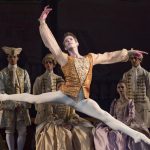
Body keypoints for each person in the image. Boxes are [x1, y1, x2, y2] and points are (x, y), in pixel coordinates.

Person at [0, 6, 150, 144]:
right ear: (65, 47)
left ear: (77, 43)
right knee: (35, 98)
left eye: (70, 39)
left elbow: (108, 56)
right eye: (66, 41)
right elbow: (51, 44)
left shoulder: (90, 58)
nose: (68, 41)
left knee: (106, 116)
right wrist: (43, 23)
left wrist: (128, 53)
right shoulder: (65, 59)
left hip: (81, 100)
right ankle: (5, 97)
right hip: (65, 94)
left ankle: (136, 135)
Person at [33, 53, 94, 150]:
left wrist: (70, 121)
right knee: (52, 134)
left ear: (54, 64)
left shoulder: (59, 79)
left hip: (65, 119)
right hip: (47, 114)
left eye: (50, 62)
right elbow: (36, 98)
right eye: (46, 63)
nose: (48, 64)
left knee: (84, 130)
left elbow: (72, 113)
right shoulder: (39, 79)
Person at [93, 80, 150, 150]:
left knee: (124, 135)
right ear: (117, 89)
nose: (121, 89)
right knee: (102, 131)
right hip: (115, 123)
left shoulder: (130, 102)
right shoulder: (115, 102)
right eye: (119, 87)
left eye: (122, 87)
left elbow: (131, 117)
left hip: (127, 124)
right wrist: (112, 124)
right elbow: (111, 116)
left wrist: (122, 126)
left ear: (126, 88)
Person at [0, 46, 31, 150]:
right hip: (8, 106)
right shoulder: (2, 73)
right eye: (10, 57)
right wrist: (12, 103)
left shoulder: (24, 72)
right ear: (7, 58)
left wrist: (22, 102)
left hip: (21, 106)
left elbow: (28, 89)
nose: (12, 59)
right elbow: (1, 91)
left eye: (14, 56)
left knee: (22, 131)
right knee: (9, 130)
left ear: (17, 58)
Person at [122, 50, 150, 129]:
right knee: (132, 128)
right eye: (131, 58)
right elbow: (124, 90)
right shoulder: (126, 74)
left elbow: (149, 89)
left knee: (144, 128)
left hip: (143, 105)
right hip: (131, 105)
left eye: (135, 58)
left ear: (140, 60)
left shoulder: (146, 74)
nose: (133, 60)